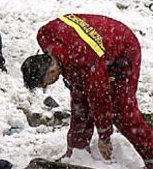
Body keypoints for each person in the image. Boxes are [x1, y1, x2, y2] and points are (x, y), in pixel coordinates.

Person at [21, 13, 153, 169]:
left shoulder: (86, 65)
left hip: (123, 48)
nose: (46, 87)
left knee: (122, 110)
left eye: (45, 84)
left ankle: (151, 156)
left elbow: (100, 97)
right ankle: (77, 151)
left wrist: (104, 136)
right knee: (79, 103)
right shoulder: (44, 35)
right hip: (97, 41)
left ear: (51, 72)